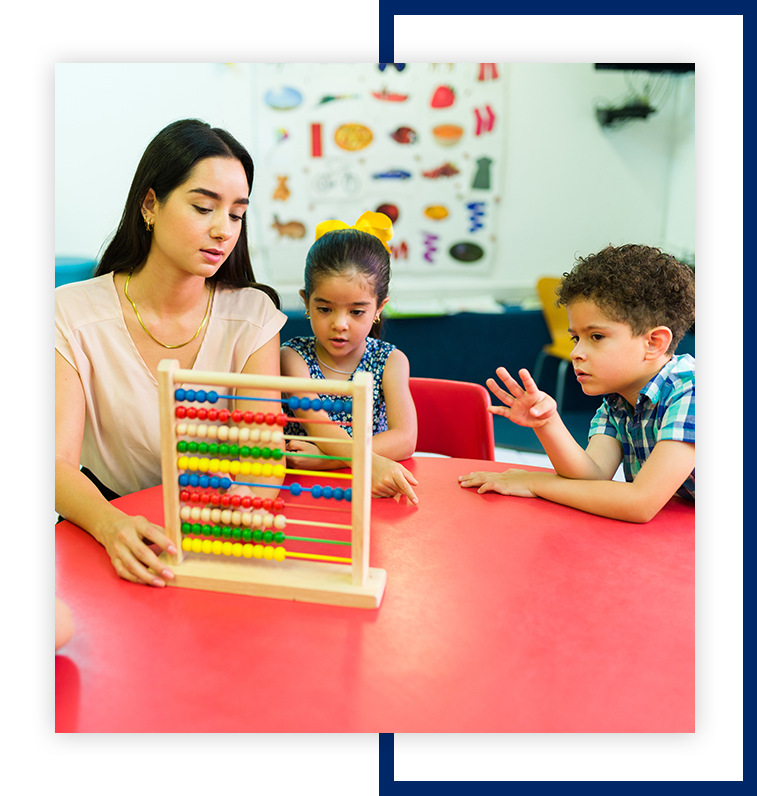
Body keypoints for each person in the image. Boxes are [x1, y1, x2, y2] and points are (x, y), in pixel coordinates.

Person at [55, 119, 287, 586]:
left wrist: (242, 507)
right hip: (106, 527)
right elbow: (58, 463)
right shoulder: (71, 313)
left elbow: (263, 460)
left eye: (237, 214)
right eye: (204, 207)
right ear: (150, 204)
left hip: (219, 533)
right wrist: (110, 524)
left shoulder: (252, 316)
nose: (223, 230)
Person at [459, 244, 695, 523]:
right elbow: (592, 475)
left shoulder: (688, 391)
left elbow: (640, 503)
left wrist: (535, 482)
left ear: (654, 343)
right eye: (576, 338)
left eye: (596, 337)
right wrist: (546, 422)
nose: (575, 353)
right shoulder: (619, 400)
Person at [281, 211, 419, 503]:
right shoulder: (292, 357)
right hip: (302, 493)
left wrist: (325, 460)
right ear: (306, 302)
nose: (339, 324)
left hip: (370, 492)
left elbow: (406, 439)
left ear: (379, 307)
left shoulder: (391, 361)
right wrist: (371, 458)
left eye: (356, 312)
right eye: (324, 309)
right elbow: (316, 423)